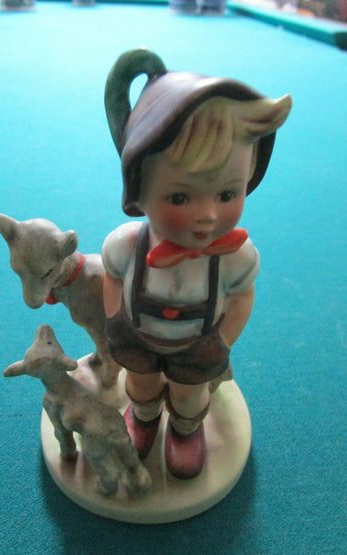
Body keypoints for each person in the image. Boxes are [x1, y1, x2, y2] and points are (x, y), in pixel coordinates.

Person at [102, 48, 292, 479]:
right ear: (138, 188)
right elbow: (112, 277)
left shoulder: (236, 258)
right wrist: (115, 318)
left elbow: (242, 297)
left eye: (227, 194)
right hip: (139, 339)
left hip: (197, 345)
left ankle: (186, 430)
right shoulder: (125, 245)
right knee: (140, 385)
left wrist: (222, 339)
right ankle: (144, 417)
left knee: (189, 395)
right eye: (179, 197)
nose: (206, 216)